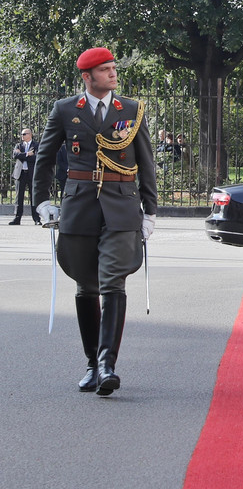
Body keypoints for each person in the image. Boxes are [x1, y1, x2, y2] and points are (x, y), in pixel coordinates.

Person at [32, 47, 158, 395]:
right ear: (87, 77)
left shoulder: (130, 110)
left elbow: (146, 162)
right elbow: (43, 160)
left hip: (121, 207)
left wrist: (150, 211)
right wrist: (41, 203)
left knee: (113, 282)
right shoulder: (66, 109)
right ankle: (92, 363)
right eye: (104, 70)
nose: (113, 73)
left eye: (113, 68)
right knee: (86, 285)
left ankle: (107, 366)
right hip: (79, 207)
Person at [10, 127, 40, 225]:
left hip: (31, 173)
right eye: (22, 134)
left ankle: (36, 218)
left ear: (30, 134)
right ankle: (17, 218)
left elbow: (36, 158)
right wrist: (27, 154)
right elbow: (15, 155)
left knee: (33, 196)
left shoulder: (36, 145)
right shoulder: (19, 145)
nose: (22, 136)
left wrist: (22, 155)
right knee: (19, 197)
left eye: (24, 134)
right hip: (20, 173)